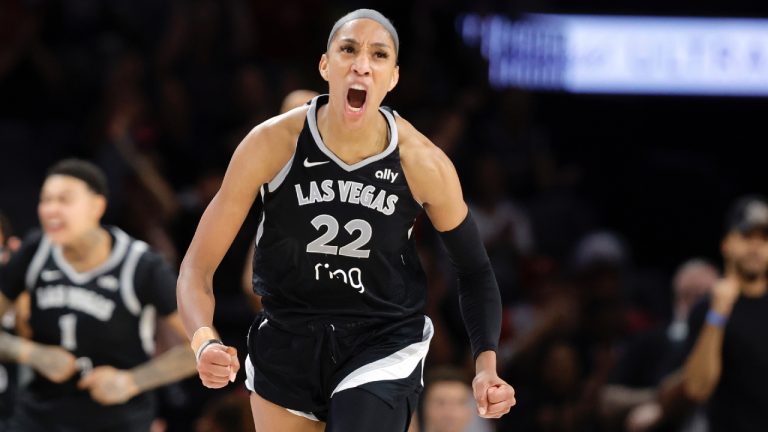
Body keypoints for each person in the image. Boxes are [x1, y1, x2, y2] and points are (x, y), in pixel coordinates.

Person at [177, 8, 516, 432]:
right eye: (349, 50)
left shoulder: (422, 162)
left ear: (393, 77)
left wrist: (485, 365)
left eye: (379, 55)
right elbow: (196, 268)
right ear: (325, 65)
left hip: (381, 340)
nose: (362, 65)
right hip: (287, 336)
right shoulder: (271, 144)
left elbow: (475, 270)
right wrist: (204, 341)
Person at [0, 159, 197, 431]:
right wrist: (30, 353)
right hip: (41, 415)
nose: (51, 209)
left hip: (117, 419)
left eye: (64, 199)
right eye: (45, 200)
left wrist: (132, 381)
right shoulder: (35, 251)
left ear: (97, 206)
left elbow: (201, 348)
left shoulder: (142, 266)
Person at [681, 195, 768, 431]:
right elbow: (697, 389)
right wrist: (717, 315)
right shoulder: (707, 309)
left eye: (764, 238)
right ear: (726, 244)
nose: (756, 246)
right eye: (747, 236)